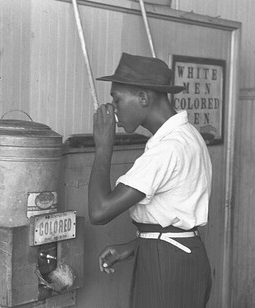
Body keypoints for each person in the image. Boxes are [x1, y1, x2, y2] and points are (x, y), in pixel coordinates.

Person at [88, 52, 212, 308]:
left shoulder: (168, 148)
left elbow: (99, 211)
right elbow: (175, 215)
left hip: (167, 264)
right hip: (177, 254)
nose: (114, 110)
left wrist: (103, 148)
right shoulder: (186, 135)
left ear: (143, 97)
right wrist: (135, 245)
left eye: (117, 99)